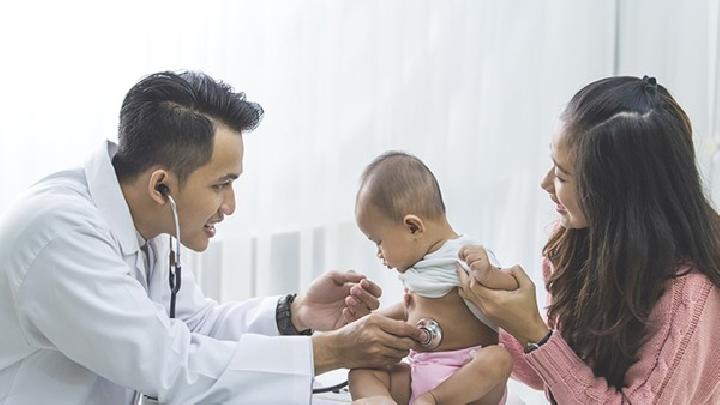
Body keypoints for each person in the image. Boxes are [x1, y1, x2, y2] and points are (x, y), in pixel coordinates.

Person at [0, 71, 424, 404]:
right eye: (222, 184)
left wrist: (295, 312)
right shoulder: (59, 234)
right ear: (161, 186)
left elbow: (193, 326)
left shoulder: (148, 219)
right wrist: (334, 351)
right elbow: (168, 362)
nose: (230, 205)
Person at [457, 76, 720, 403]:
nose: (545, 183)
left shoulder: (691, 297)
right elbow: (558, 376)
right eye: (552, 163)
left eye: (562, 175)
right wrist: (481, 311)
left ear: (617, 194)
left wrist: (533, 333)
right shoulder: (571, 244)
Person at [349, 152, 517, 405]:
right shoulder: (418, 268)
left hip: (468, 384)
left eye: (379, 242)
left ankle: (434, 400)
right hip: (419, 374)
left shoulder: (464, 254)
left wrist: (489, 274)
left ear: (413, 227)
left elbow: (511, 292)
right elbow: (412, 313)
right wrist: (365, 324)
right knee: (361, 373)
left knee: (499, 359)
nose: (379, 254)